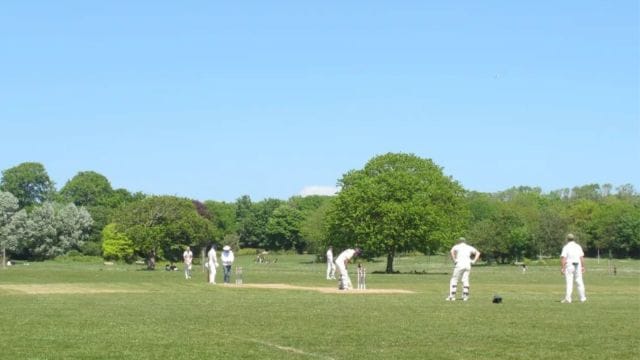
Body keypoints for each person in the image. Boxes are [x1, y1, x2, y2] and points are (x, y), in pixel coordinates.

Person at [446, 237, 480, 301]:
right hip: (468, 265)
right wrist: (473, 261)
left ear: (459, 241)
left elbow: (451, 251)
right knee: (465, 279)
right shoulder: (469, 247)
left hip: (459, 264)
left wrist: (454, 260)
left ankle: (452, 296)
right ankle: (465, 296)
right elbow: (478, 253)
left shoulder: (456, 246)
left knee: (454, 279)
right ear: (465, 242)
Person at [560, 233, 587, 303]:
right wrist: (583, 266)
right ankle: (583, 298)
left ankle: (568, 299)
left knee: (569, 282)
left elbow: (563, 258)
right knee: (579, 281)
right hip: (578, 265)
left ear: (567, 239)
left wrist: (562, 268)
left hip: (569, 265)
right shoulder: (578, 246)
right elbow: (581, 257)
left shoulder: (566, 247)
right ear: (573, 239)